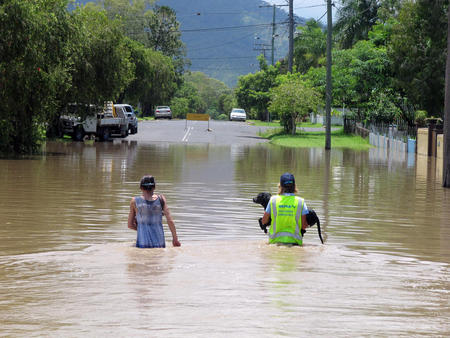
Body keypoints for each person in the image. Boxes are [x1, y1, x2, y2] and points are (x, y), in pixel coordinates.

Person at [128, 175, 181, 248]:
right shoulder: (161, 199)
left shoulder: (134, 201)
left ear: (140, 187)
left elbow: (130, 225)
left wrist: (142, 228)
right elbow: (170, 221)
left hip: (142, 244)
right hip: (160, 244)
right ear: (154, 187)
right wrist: (175, 239)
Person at [261, 172, 309, 246]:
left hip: (274, 242)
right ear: (294, 186)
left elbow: (264, 221)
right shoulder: (300, 202)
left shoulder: (273, 200)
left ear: (280, 186)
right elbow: (303, 226)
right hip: (295, 243)